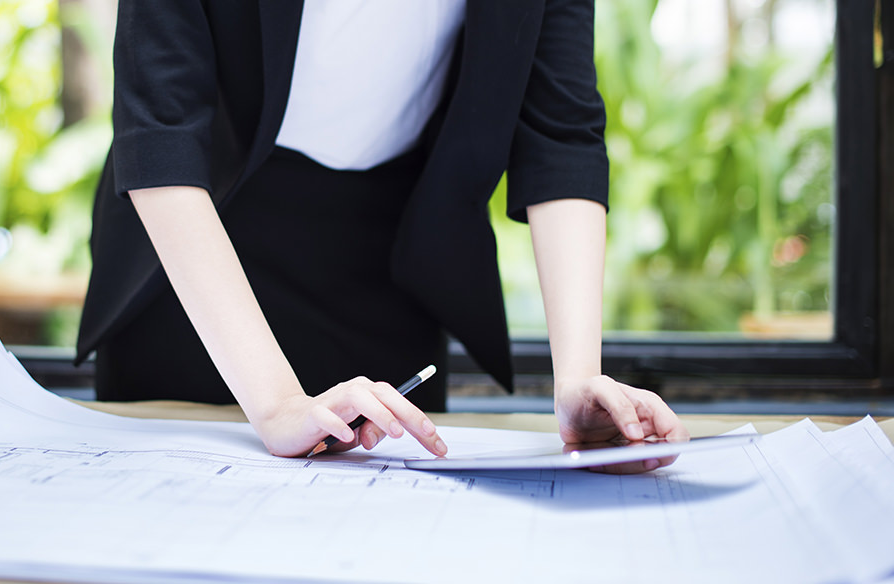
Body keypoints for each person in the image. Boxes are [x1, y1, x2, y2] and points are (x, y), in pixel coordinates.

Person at [76, 0, 690, 462]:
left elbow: (561, 133)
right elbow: (160, 127)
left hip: (389, 262)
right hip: (199, 266)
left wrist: (579, 380)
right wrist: (276, 403)